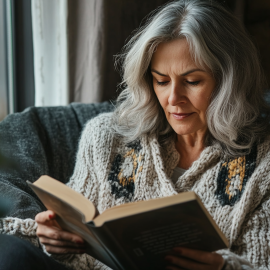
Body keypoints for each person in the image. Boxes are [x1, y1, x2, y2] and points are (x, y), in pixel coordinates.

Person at [1, 0, 270, 269]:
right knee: (11, 253)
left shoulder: (262, 163)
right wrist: (51, 237)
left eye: (192, 81)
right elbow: (75, 235)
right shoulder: (107, 137)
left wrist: (223, 267)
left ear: (230, 82)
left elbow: (259, 261)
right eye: (161, 81)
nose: (173, 98)